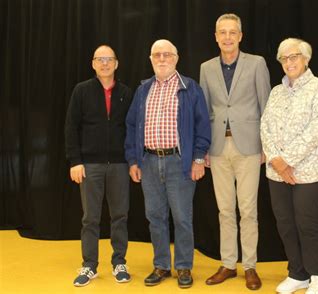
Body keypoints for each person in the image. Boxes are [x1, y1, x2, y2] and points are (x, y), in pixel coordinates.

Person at [124, 39, 211, 289]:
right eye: (157, 55)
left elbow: (203, 127)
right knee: (155, 217)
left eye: (167, 55)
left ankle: (183, 266)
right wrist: (133, 160)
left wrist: (197, 159)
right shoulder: (143, 90)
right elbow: (131, 126)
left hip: (179, 163)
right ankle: (161, 265)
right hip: (148, 162)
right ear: (150, 59)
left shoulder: (190, 88)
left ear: (176, 58)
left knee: (183, 217)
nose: (162, 59)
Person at [199, 13, 271, 291]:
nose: (227, 37)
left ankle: (250, 266)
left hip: (249, 147)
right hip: (218, 148)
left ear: (240, 36)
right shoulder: (206, 68)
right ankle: (228, 264)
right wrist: (202, 149)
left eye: (232, 32)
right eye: (222, 32)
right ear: (215, 36)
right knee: (225, 210)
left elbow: (266, 106)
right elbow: (203, 112)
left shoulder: (257, 64)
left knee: (249, 209)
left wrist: (266, 146)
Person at [260, 38, 318, 294]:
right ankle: (297, 273)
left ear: (306, 59)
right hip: (276, 173)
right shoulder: (276, 92)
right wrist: (277, 162)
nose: (289, 62)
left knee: (308, 223)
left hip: (310, 172)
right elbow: (265, 126)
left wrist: (287, 160)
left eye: (294, 57)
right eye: (284, 58)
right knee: (285, 223)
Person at [65, 45, 133, 287]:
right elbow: (71, 127)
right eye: (99, 59)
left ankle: (119, 262)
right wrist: (75, 161)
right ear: (93, 64)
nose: (104, 63)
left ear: (116, 64)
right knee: (90, 218)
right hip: (90, 165)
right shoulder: (81, 91)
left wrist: (132, 160)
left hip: (119, 165)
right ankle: (89, 265)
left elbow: (133, 129)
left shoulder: (126, 93)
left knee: (120, 216)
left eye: (109, 59)